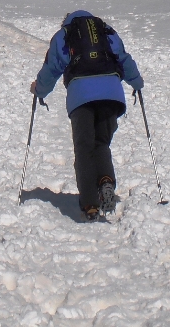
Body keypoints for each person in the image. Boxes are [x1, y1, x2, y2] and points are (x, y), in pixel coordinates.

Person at [30, 11, 144, 221]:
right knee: (101, 142)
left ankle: (90, 203)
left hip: (82, 96)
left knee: (84, 147)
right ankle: (106, 181)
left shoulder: (64, 35)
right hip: (112, 94)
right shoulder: (106, 31)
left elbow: (52, 67)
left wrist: (39, 90)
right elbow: (123, 59)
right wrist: (137, 83)